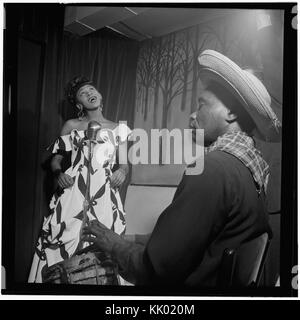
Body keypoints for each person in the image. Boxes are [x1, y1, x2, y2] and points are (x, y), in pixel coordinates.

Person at [80, 50, 282, 287]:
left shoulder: (212, 170)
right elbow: (190, 241)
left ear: (232, 113)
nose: (193, 114)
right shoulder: (248, 169)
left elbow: (155, 270)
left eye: (202, 103)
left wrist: (114, 245)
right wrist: (130, 238)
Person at [28, 76, 131, 283]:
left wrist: (122, 172)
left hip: (104, 192)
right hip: (74, 191)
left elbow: (125, 164)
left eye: (92, 89)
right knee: (64, 238)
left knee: (103, 244)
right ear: (78, 104)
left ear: (100, 95)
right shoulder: (71, 125)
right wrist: (59, 174)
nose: (90, 93)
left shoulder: (119, 128)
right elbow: (55, 160)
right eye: (83, 93)